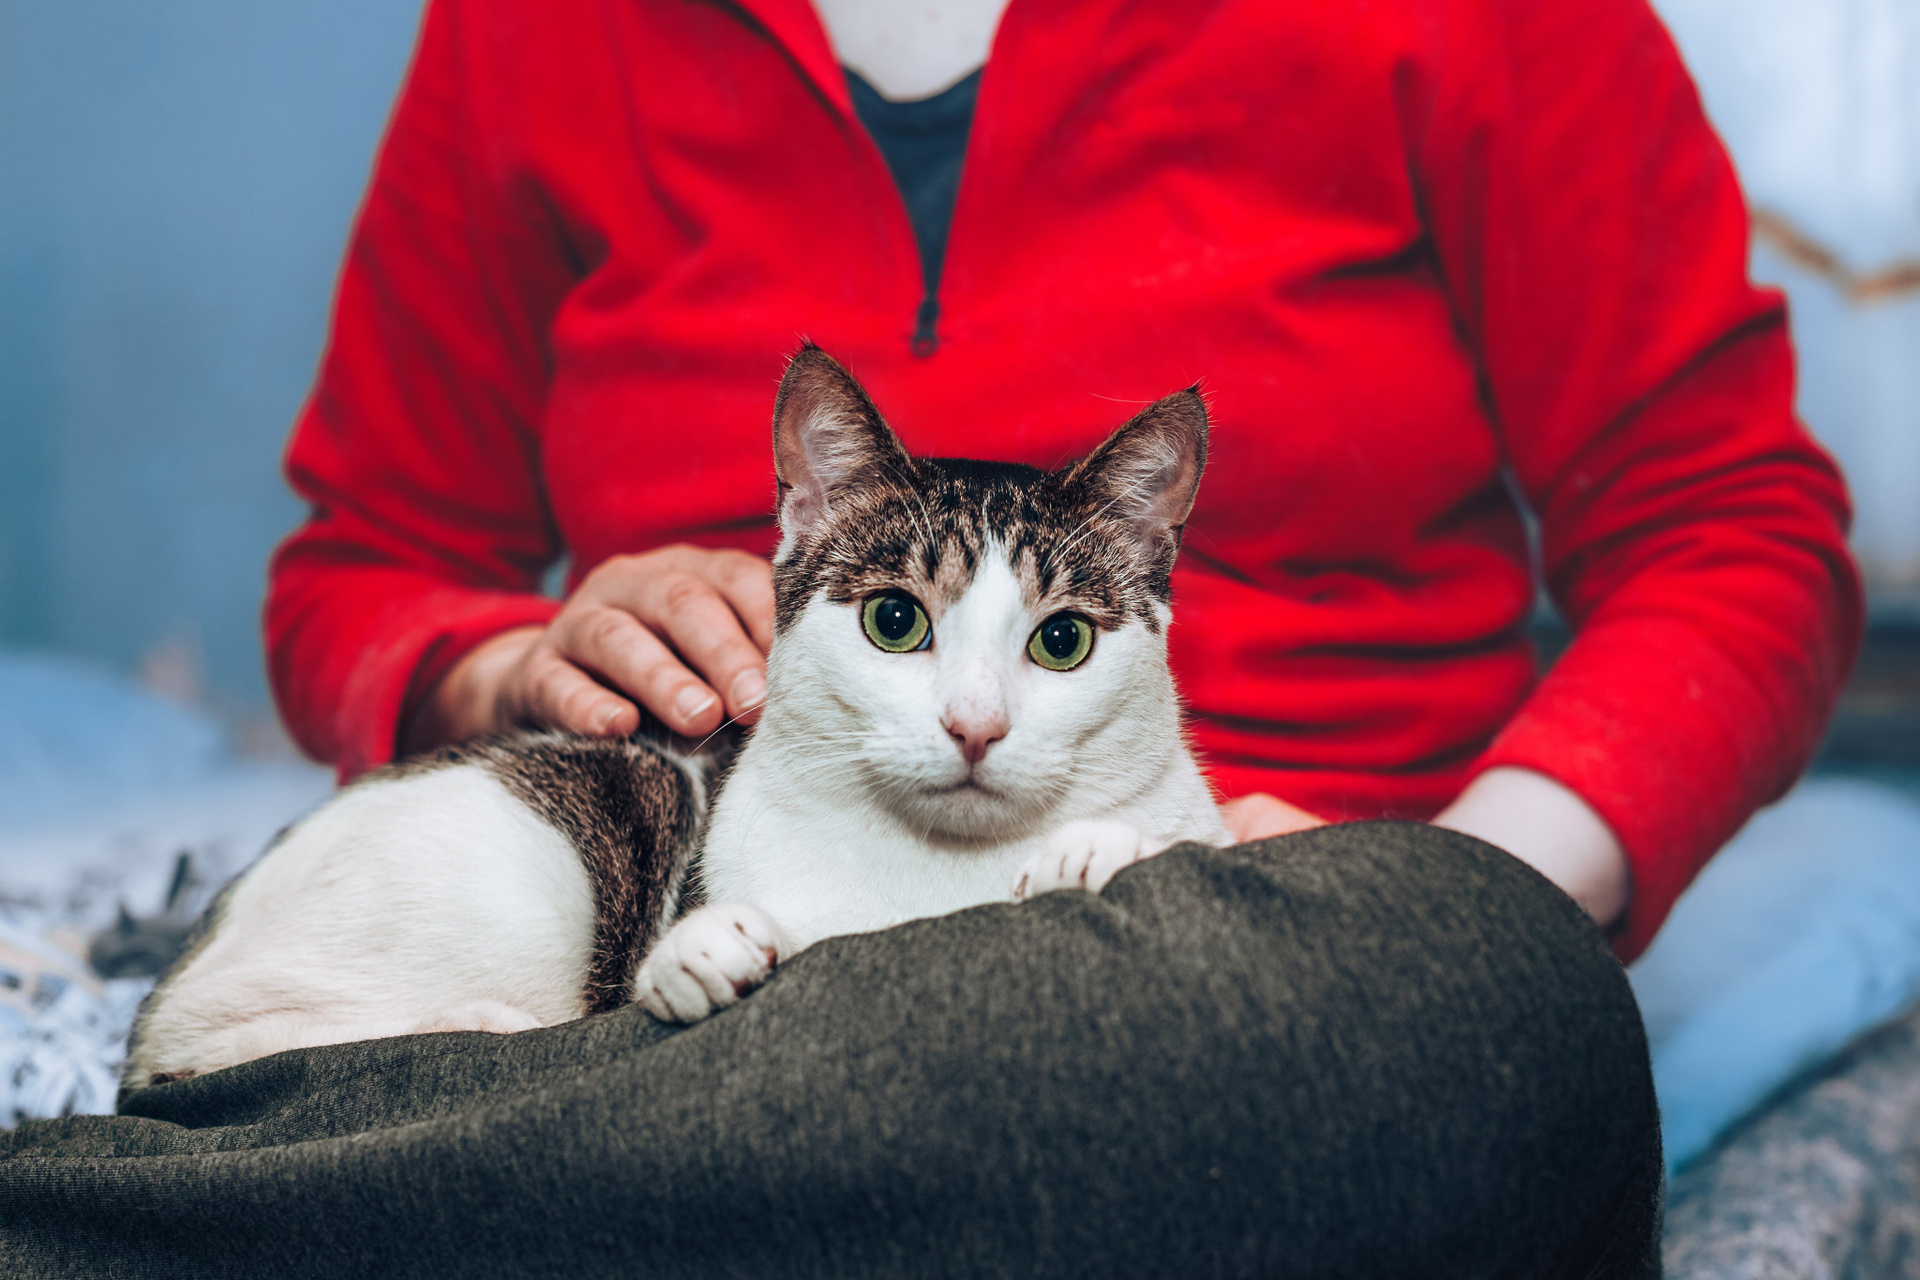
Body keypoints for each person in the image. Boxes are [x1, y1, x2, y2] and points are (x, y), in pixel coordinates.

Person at [0, 0, 1857, 1274]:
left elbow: (1736, 531)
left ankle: (229, 1211)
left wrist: (1452, 894)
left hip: (1263, 952)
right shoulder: (529, 27)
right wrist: (509, 664)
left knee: (1492, 1000)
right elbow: (364, 561)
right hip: (719, 938)